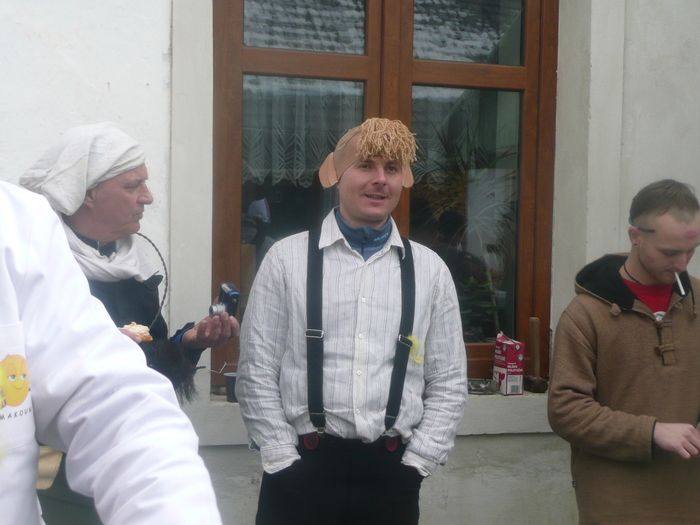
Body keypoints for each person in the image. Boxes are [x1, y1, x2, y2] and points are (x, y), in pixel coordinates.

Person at [236, 118, 467, 525]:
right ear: (337, 175)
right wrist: (281, 459)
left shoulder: (430, 270)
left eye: (391, 169)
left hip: (391, 480)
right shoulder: (285, 260)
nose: (380, 180)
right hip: (298, 474)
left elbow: (448, 379)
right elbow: (257, 369)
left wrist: (418, 462)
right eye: (365, 166)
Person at [20, 122, 239, 524]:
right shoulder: (36, 269)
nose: (148, 197)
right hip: (52, 487)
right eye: (132, 185)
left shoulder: (133, 265)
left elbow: (146, 370)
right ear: (86, 193)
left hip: (129, 473)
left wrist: (188, 343)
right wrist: (96, 354)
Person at [548, 179, 700, 524]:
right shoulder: (585, 314)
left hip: (692, 497)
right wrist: (651, 432)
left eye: (691, 251)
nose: (682, 264)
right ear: (636, 236)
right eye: (669, 252)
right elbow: (566, 410)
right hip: (616, 503)